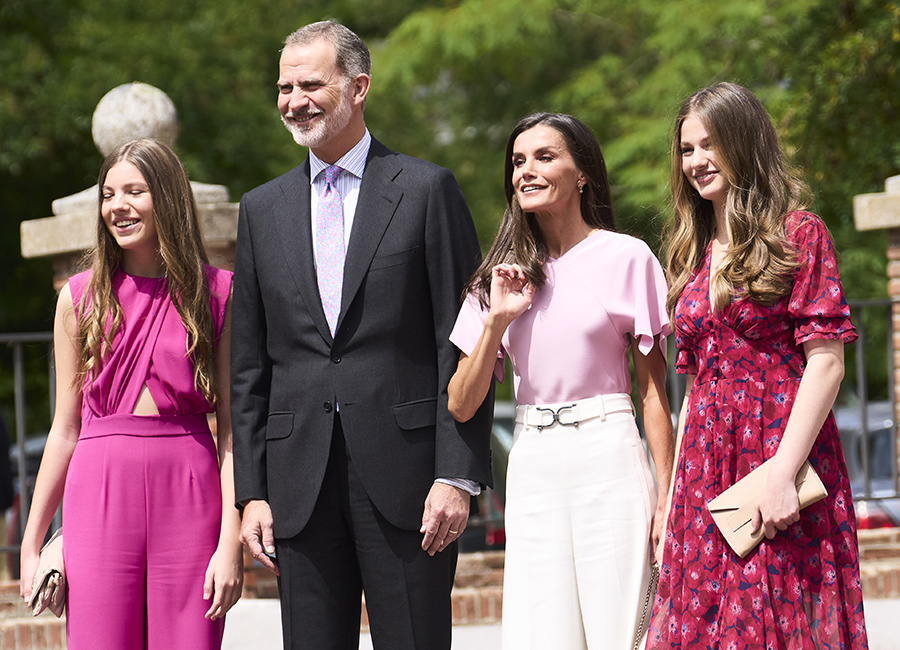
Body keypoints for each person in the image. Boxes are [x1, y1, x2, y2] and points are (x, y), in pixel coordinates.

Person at [230, 21, 493, 650]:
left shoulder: (427, 190)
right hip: (298, 486)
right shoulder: (260, 210)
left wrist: (456, 475)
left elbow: (461, 344)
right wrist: (252, 493)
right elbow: (248, 367)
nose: (295, 101)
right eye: (285, 87)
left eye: (311, 85)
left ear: (359, 87)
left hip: (411, 485)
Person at [647, 82, 868, 649]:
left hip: (778, 453)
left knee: (779, 622)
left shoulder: (797, 233)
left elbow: (826, 364)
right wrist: (672, 501)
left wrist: (782, 476)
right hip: (704, 467)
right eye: (687, 149)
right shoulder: (693, 252)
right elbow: (694, 385)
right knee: (704, 626)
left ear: (743, 142)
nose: (696, 161)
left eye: (710, 144)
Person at [447, 112, 675, 649]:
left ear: (583, 174)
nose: (526, 170)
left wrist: (667, 499)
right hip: (533, 461)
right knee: (540, 634)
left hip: (609, 453)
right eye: (518, 161)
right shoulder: (497, 277)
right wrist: (497, 320)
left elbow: (652, 394)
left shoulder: (628, 257)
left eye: (544, 157)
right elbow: (460, 402)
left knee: (622, 629)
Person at [19, 139, 242, 649]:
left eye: (134, 191)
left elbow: (233, 431)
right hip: (98, 491)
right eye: (108, 194)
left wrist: (230, 543)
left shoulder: (219, 294)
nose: (117, 205)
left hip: (190, 493)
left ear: (168, 197)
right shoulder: (79, 298)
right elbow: (64, 430)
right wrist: (31, 544)